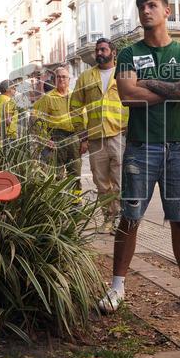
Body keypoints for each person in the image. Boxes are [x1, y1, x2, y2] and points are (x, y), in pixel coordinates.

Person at [98, 0, 180, 314]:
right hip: (140, 147)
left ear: (167, 12)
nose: (146, 11)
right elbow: (127, 96)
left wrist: (149, 84)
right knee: (130, 217)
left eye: (153, 6)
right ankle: (117, 287)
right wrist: (172, 88)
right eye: (141, 7)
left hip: (179, 147)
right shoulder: (128, 54)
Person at [70, 38, 127, 233]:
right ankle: (108, 219)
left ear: (113, 52)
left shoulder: (124, 74)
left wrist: (129, 129)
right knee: (101, 182)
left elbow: (134, 102)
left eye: (103, 49)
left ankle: (121, 219)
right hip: (95, 138)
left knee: (121, 181)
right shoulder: (86, 77)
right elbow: (75, 106)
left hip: (119, 135)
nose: (99, 53)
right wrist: (82, 133)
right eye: (97, 50)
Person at [32, 65, 82, 193]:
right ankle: (59, 201)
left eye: (64, 77)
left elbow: (83, 117)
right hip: (55, 138)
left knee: (75, 171)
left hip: (73, 137)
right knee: (56, 174)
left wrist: (84, 139)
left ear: (69, 79)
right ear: (55, 80)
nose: (61, 79)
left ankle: (76, 201)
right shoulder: (48, 98)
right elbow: (35, 118)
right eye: (58, 77)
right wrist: (44, 138)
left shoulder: (75, 96)